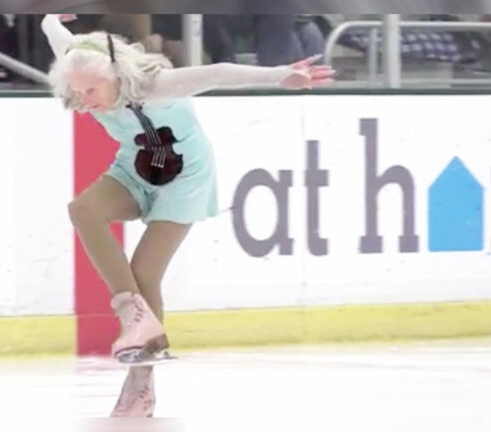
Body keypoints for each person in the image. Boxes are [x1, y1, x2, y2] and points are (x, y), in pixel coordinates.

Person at [41, 14, 334, 417]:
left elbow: (219, 72)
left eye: (92, 89)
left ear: (116, 75)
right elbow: (58, 36)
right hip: (136, 166)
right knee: (83, 210)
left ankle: (141, 386)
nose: (85, 98)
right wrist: (47, 18)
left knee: (145, 273)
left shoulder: (154, 85)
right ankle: (133, 313)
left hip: (187, 177)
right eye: (77, 90)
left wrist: (281, 74)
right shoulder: (80, 66)